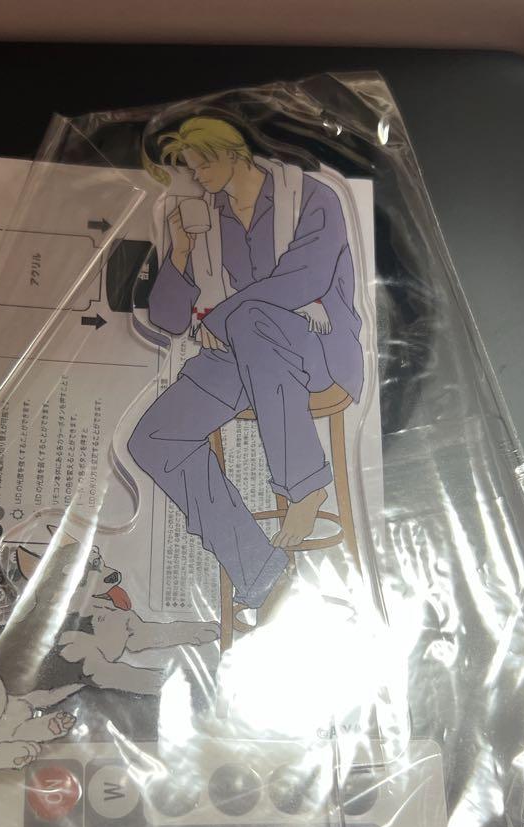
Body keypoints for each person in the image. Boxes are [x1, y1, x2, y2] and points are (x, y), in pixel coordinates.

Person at [129, 117, 364, 613]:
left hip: (317, 348)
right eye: (191, 169)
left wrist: (223, 315)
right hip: (242, 356)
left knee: (250, 318)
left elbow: (306, 278)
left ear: (234, 153)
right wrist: (180, 253)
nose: (199, 177)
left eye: (203, 164)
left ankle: (304, 487)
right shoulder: (208, 217)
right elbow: (169, 319)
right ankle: (257, 565)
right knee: (153, 439)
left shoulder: (312, 197)